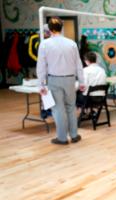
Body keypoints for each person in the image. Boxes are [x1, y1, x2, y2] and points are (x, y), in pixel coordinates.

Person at [37, 17, 84, 145]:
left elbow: (41, 66)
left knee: (58, 109)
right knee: (70, 107)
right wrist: (82, 82)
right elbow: (78, 64)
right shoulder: (72, 43)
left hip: (54, 79)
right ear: (61, 28)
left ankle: (62, 138)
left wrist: (40, 84)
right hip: (70, 79)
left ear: (50, 29)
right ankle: (74, 135)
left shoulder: (45, 44)